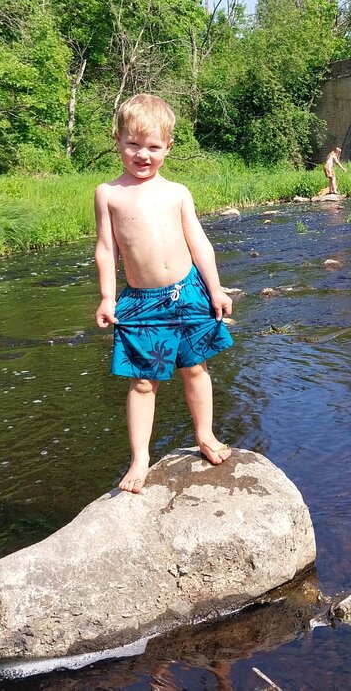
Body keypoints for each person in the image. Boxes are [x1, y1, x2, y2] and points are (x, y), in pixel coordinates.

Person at [94, 93, 234, 494]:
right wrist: (107, 297)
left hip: (188, 293)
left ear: (168, 148)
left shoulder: (177, 192)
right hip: (142, 302)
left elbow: (200, 244)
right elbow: (107, 249)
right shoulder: (109, 193)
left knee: (195, 368)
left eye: (153, 147)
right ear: (117, 139)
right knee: (142, 383)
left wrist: (216, 289)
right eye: (133, 144)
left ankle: (204, 435)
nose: (143, 155)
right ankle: (140, 457)